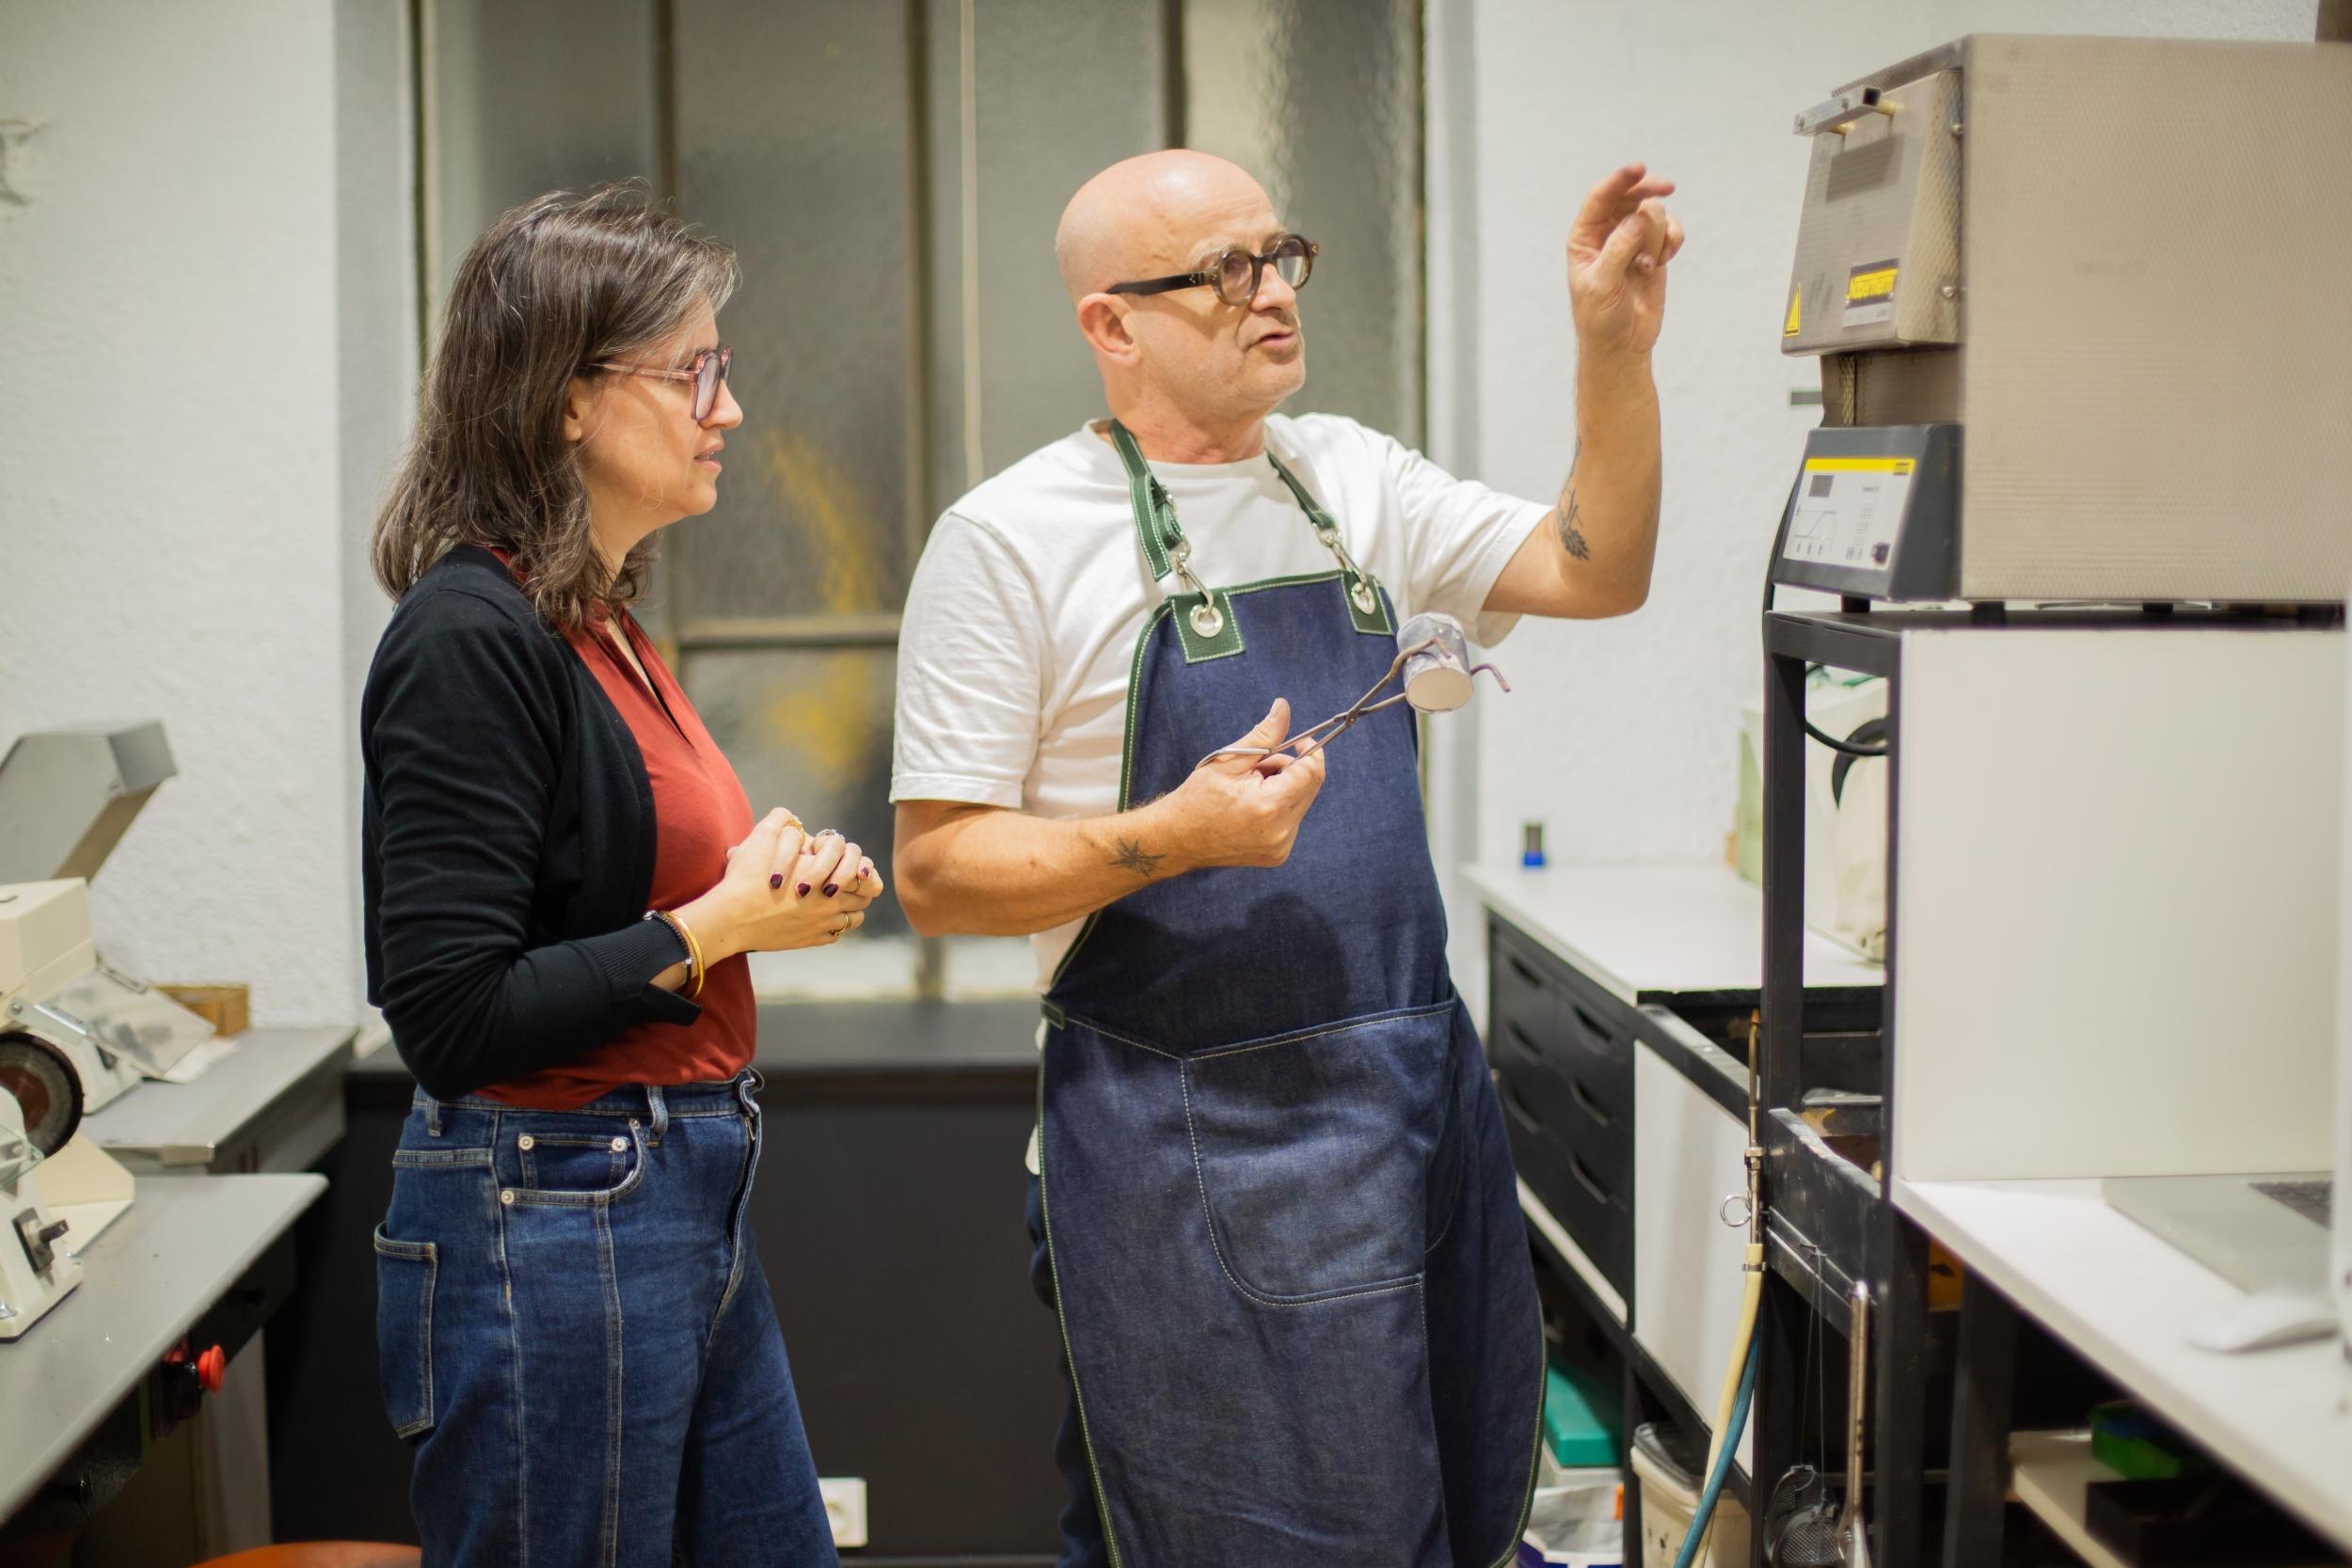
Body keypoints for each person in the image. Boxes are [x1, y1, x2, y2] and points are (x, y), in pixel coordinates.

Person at [890, 150, 1681, 1566]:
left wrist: (1610, 352)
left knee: (1429, 1519)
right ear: (1111, 325)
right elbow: (938, 872)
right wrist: (1170, 839)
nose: (1271, 296)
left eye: (1279, 254)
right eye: (1222, 272)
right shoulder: (1008, 542)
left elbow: (1596, 567)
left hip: (1406, 1110)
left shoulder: (1351, 479)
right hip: (1182, 1148)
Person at [361, 183, 882, 1566]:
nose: (730, 408)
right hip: (552, 1203)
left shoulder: (600, 620)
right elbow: (451, 1014)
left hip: (673, 1188)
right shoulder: (467, 636)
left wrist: (765, 887)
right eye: (693, 372)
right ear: (567, 399)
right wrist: (715, 926)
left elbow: (622, 896)